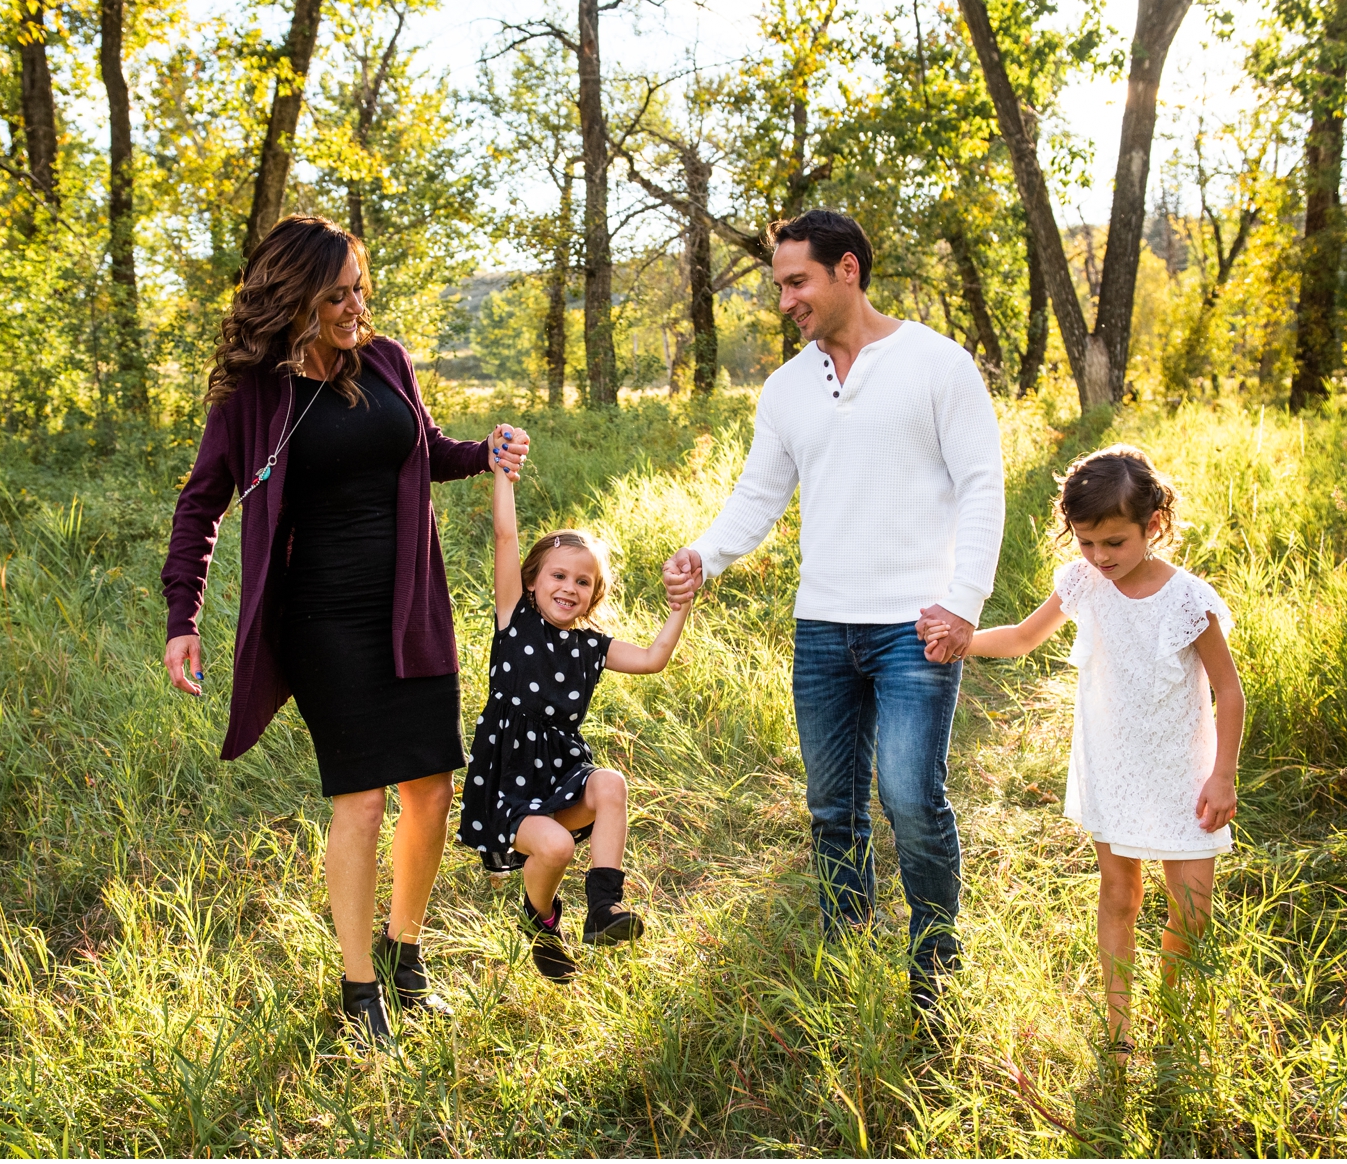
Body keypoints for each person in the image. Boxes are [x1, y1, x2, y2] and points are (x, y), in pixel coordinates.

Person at [160, 215, 531, 1048]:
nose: (357, 305)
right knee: (362, 800)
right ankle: (358, 989)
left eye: (361, 287)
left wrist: (488, 451)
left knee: (432, 788)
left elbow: (425, 450)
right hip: (322, 620)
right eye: (337, 294)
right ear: (295, 301)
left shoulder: (388, 360)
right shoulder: (255, 398)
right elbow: (200, 506)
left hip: (411, 606)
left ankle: (407, 956)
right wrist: (184, 617)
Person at [660, 209, 1004, 1035]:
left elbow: (982, 483)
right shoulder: (786, 389)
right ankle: (846, 953)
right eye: (780, 284)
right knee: (830, 806)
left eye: (796, 281)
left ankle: (935, 966)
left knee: (912, 797)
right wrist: (705, 554)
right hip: (822, 626)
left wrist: (963, 603)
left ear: (847, 269)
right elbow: (758, 495)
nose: (785, 301)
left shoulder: (934, 363)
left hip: (915, 624)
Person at [945, 445, 1243, 1062]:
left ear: (1153, 525)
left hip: (1183, 770)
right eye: (1086, 543)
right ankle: (1118, 1030)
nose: (1101, 558)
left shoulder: (1188, 599)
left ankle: (1175, 1022)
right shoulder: (1083, 580)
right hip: (1112, 760)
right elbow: (1025, 637)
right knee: (1118, 891)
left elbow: (1229, 689)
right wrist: (962, 641)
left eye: (1114, 542)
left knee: (1191, 907)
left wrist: (1223, 775)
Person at [458, 455, 693, 982]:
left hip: (561, 769)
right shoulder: (514, 617)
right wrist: (503, 476)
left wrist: (682, 604)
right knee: (556, 847)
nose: (569, 587)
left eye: (583, 582)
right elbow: (503, 536)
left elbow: (654, 658)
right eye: (558, 575)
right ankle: (540, 921)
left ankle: (603, 908)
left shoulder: (592, 646)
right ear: (533, 582)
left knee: (611, 783)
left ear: (595, 594)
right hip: (506, 778)